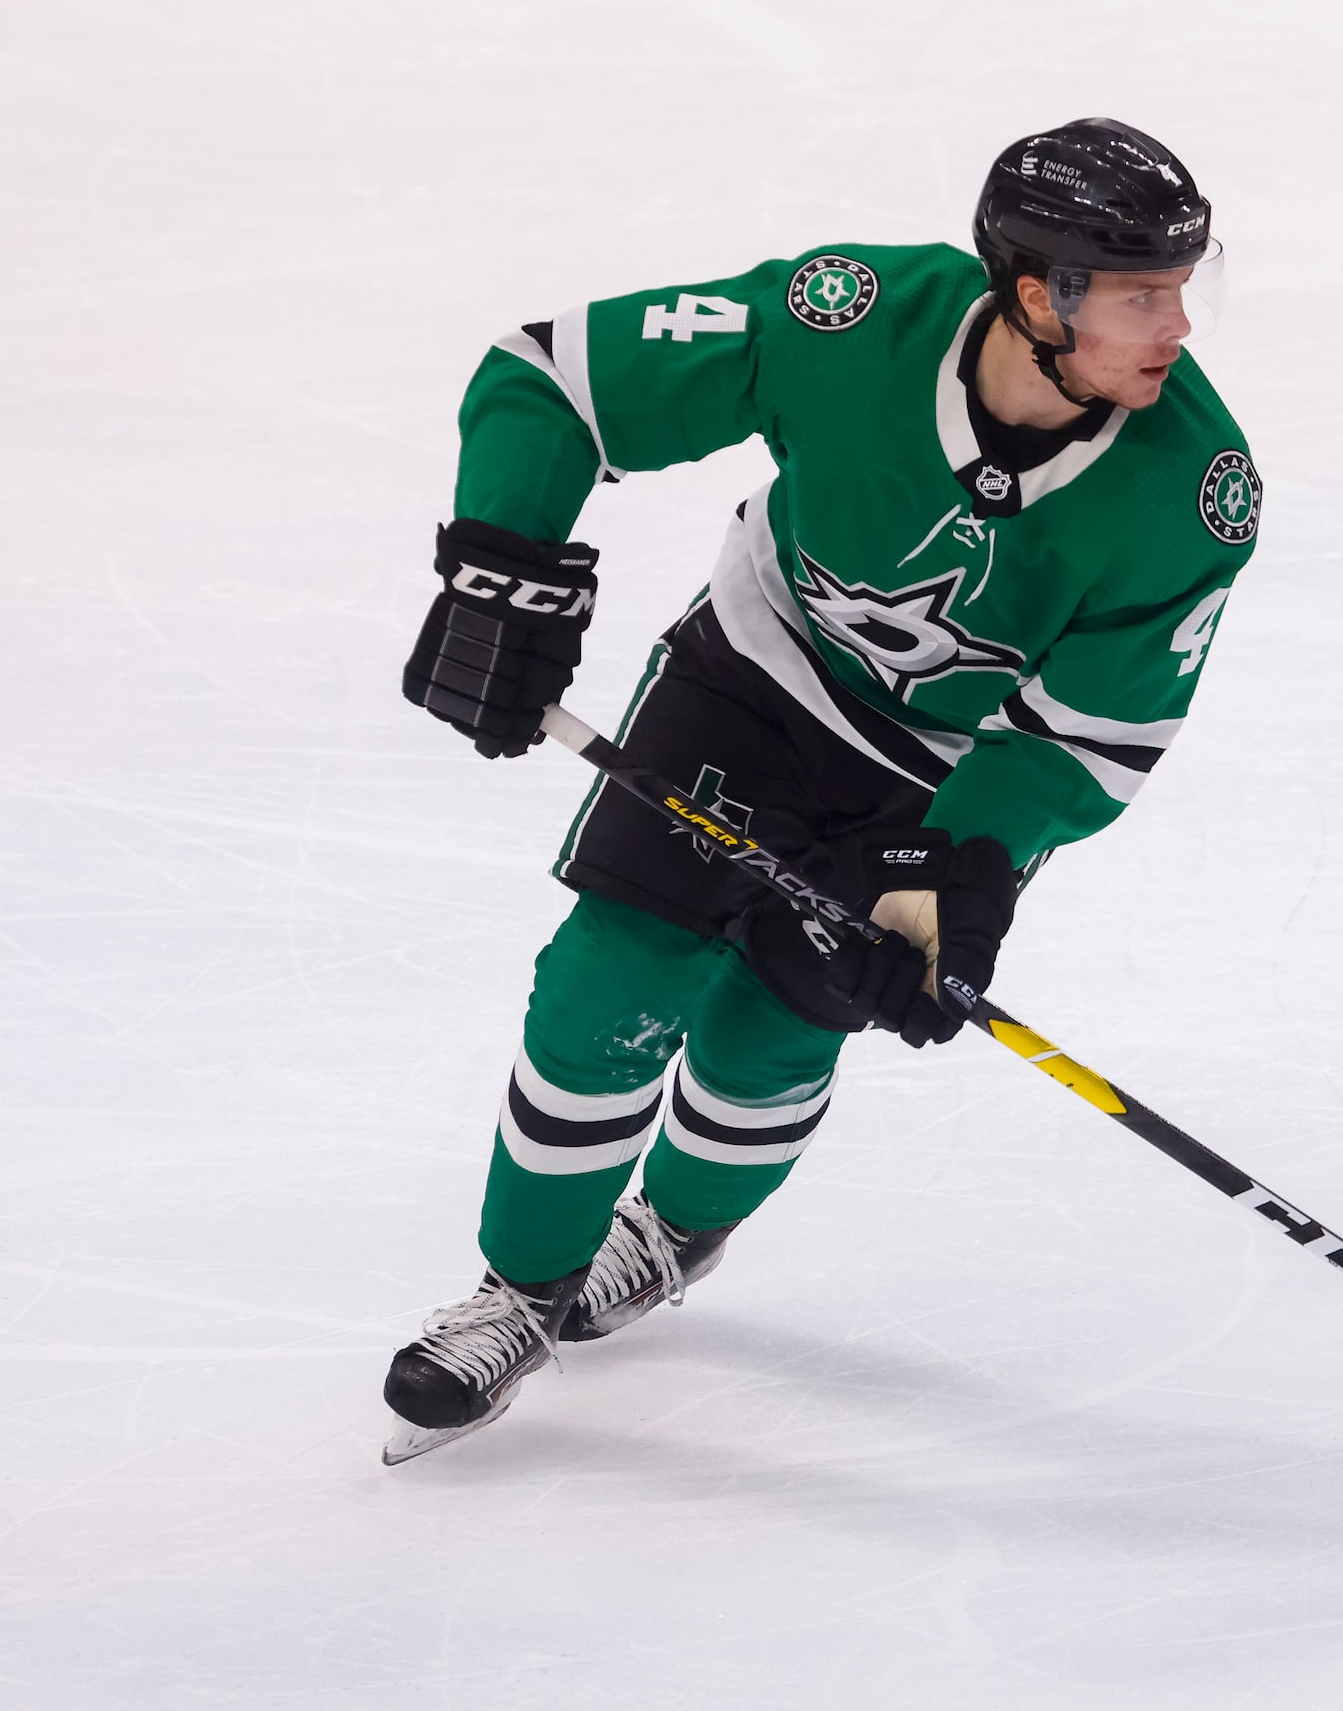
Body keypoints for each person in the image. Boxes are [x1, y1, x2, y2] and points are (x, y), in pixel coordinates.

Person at [380, 118, 1260, 1464]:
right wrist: (504, 559)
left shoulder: (1194, 495)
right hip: (752, 682)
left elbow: (1092, 738)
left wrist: (962, 863)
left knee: (773, 1037)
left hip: (933, 778)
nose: (1178, 326)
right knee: (608, 985)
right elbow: (551, 379)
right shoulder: (845, 319)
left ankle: (670, 1233)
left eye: (1183, 287)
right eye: (1144, 293)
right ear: (1037, 292)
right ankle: (520, 1288)